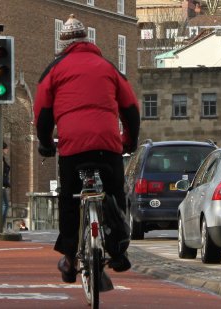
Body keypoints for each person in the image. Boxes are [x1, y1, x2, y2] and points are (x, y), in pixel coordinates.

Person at [35, 14, 141, 284]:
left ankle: (70, 259)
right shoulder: (108, 67)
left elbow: (43, 114)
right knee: (116, 194)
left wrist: (46, 144)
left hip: (72, 146)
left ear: (63, 44)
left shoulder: (54, 70)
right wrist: (129, 140)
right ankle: (118, 252)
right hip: (108, 143)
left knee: (69, 200)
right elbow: (130, 109)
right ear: (87, 41)